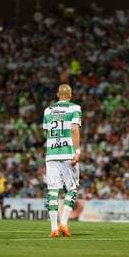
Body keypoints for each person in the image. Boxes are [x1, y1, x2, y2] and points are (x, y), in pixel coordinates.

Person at [43, 83, 81, 238]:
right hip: (68, 153)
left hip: (51, 154)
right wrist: (77, 152)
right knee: (71, 188)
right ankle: (63, 224)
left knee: (53, 189)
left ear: (57, 95)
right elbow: (74, 129)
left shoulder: (47, 110)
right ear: (70, 95)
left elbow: (46, 132)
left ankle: (53, 228)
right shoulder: (74, 108)